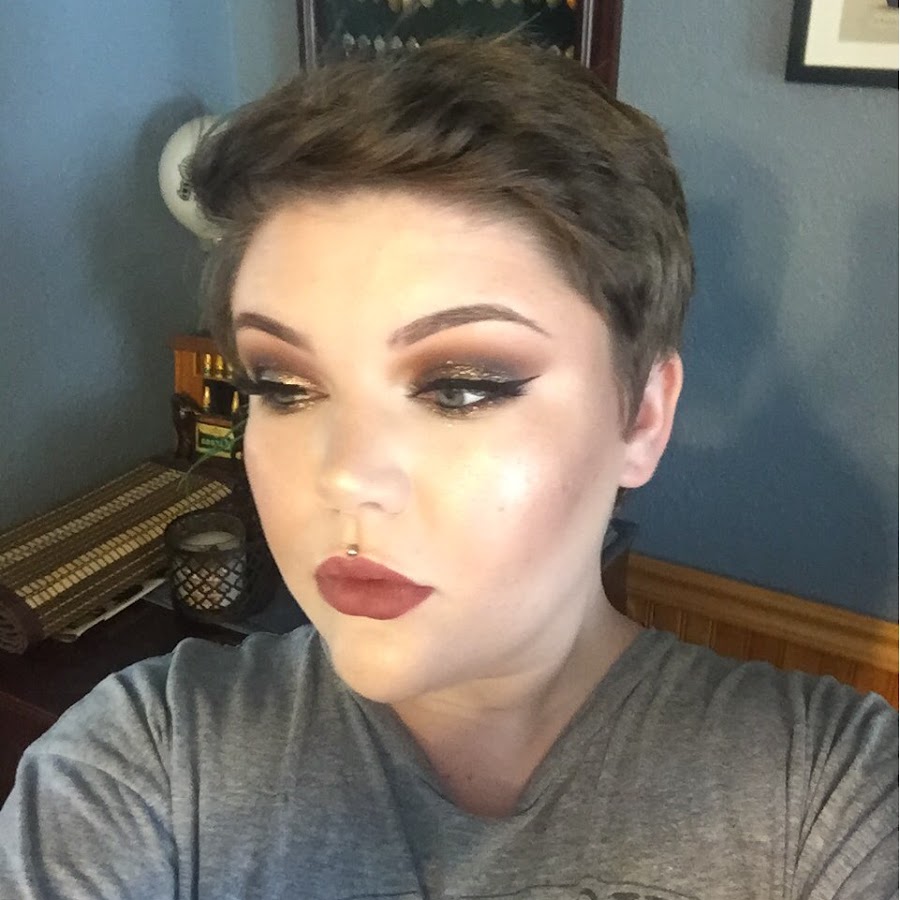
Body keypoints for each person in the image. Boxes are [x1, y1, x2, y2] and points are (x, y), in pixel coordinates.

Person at [1, 37, 896, 900]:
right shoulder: (144, 765)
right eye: (283, 385)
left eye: (461, 387)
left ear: (642, 417)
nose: (345, 476)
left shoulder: (831, 798)